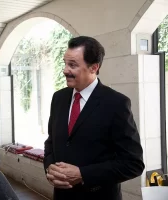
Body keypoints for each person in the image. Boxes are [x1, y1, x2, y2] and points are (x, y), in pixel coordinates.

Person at [44, 36, 145, 200]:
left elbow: (133, 163)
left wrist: (82, 174)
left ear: (93, 68)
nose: (65, 70)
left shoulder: (116, 104)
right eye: (65, 63)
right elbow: (51, 142)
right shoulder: (58, 98)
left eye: (73, 65)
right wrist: (50, 168)